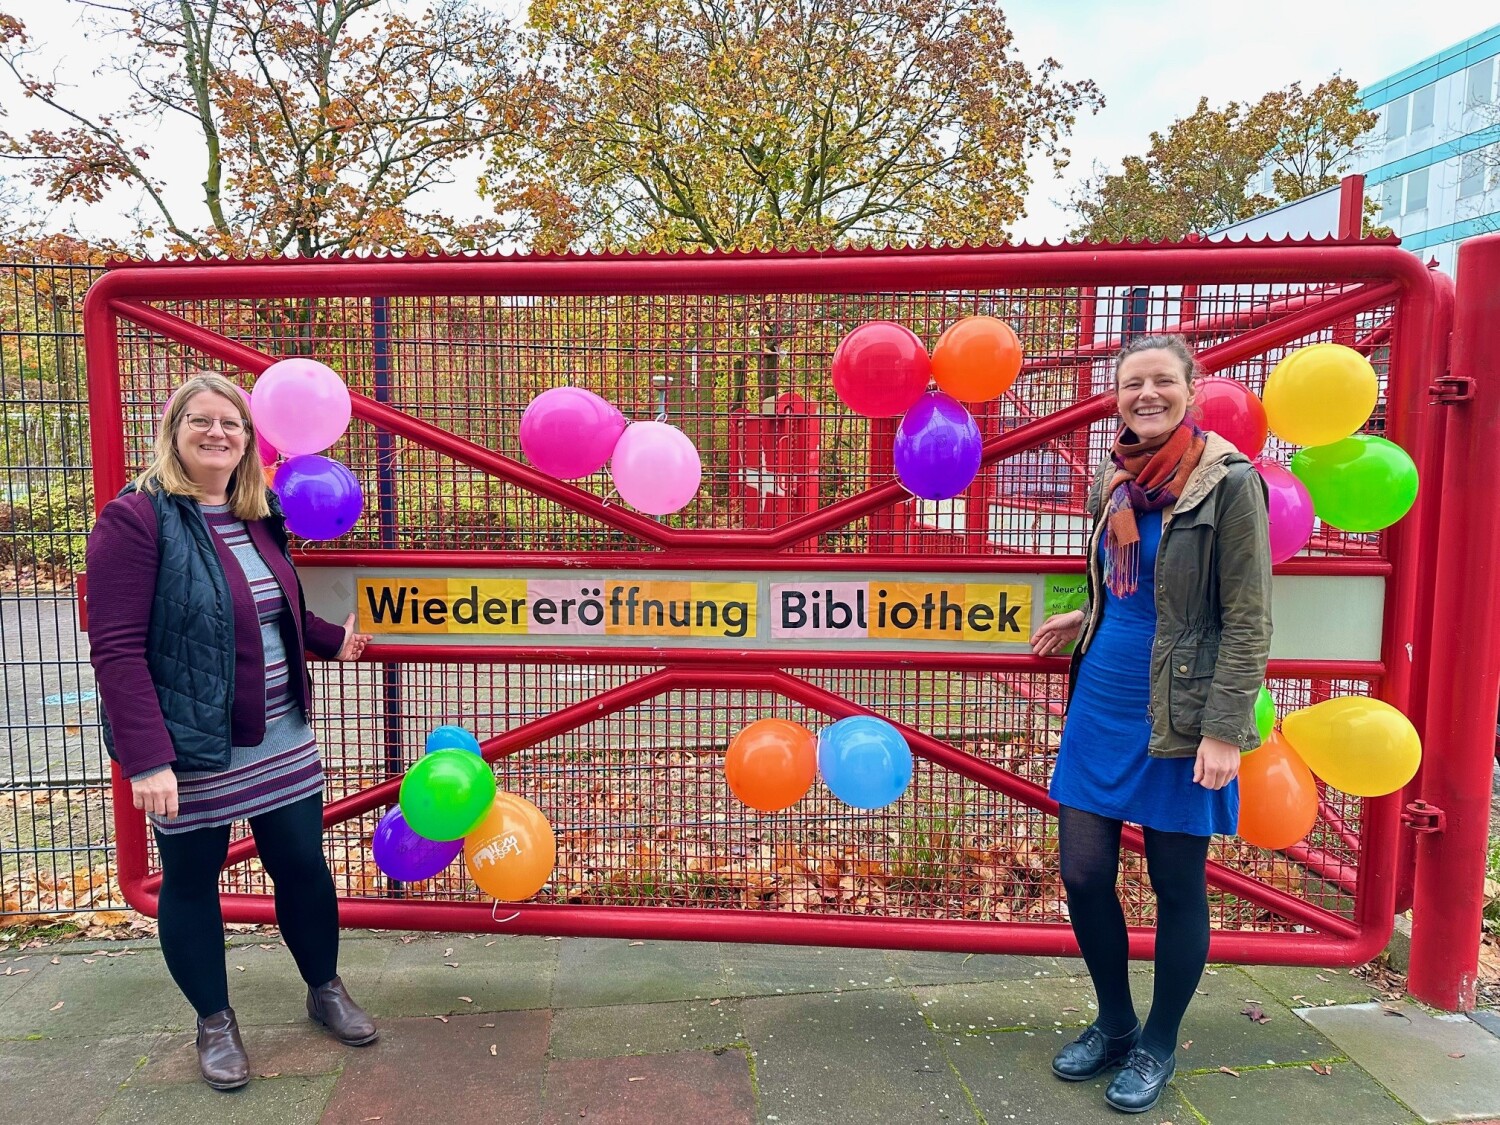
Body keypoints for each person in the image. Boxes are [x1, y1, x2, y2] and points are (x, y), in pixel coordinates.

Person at [87, 372, 376, 1091]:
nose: (219, 433)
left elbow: (266, 602)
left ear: (249, 441)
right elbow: (117, 648)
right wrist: (148, 758)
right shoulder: (136, 519)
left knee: (303, 866)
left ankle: (325, 988)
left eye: (233, 424)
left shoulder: (256, 508)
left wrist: (326, 637)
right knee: (191, 881)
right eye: (202, 421)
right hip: (190, 749)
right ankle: (214, 1021)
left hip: (279, 735)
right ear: (173, 430)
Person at [1030, 335, 1272, 1114]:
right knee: (1084, 871)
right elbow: (1127, 584)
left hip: (1185, 705)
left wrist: (1226, 728)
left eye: (1162, 381)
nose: (1147, 394)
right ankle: (1115, 1023)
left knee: (1176, 881)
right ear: (1117, 394)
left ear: (1191, 387)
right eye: (1133, 383)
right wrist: (1086, 611)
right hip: (1104, 690)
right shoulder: (1118, 473)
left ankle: (1160, 1044)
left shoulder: (1231, 483)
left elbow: (1247, 620)